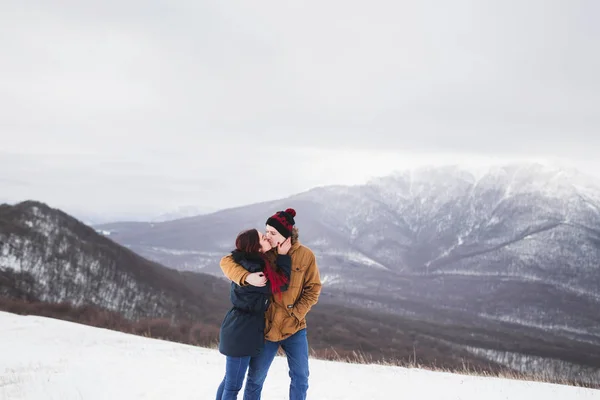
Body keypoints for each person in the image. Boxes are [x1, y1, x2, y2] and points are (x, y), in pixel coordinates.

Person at [220, 208, 322, 400]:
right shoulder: (264, 251)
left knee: (301, 378)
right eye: (266, 232)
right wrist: (246, 276)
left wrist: (297, 312)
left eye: (272, 233)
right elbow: (227, 261)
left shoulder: (306, 256)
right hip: (267, 329)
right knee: (255, 379)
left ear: (286, 234)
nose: (268, 236)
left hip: (295, 327)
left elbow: (314, 288)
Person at [216, 228, 292, 400]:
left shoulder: (245, 263)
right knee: (233, 386)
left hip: (238, 326)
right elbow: (282, 284)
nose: (266, 238)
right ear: (256, 247)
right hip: (242, 331)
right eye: (262, 238)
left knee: (229, 381)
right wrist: (283, 256)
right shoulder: (256, 272)